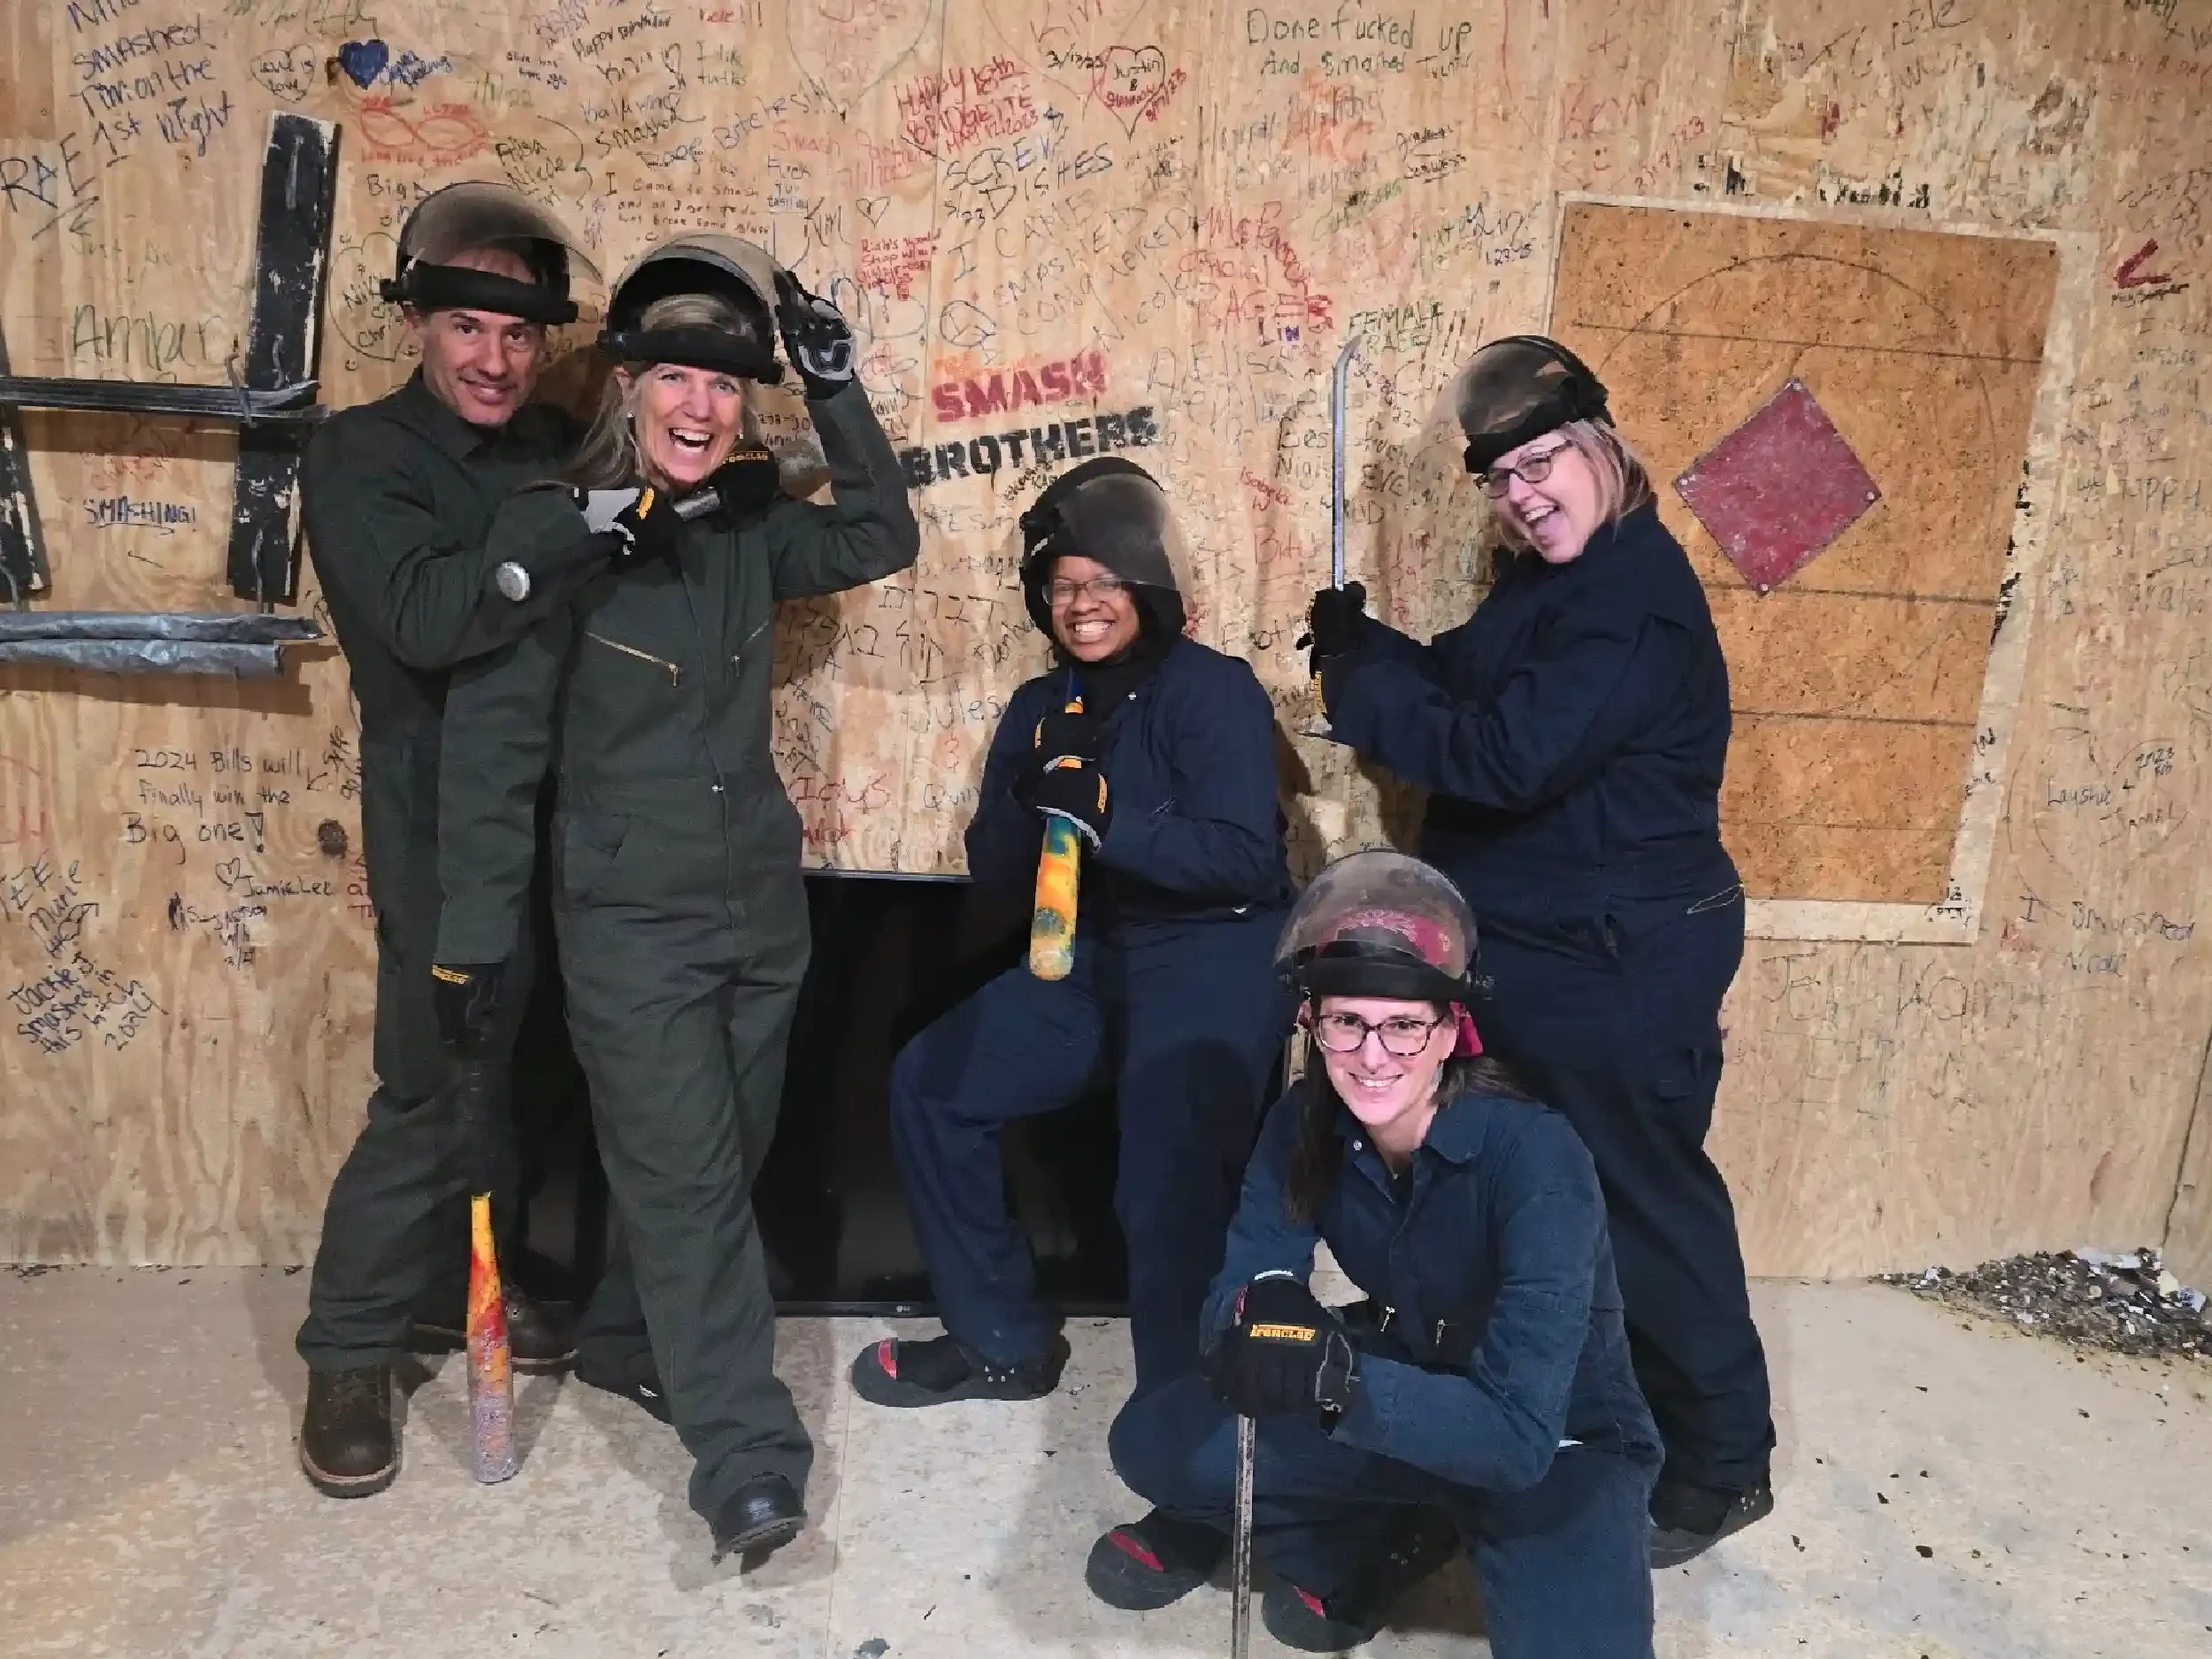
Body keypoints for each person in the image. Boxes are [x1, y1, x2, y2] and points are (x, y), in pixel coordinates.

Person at [431, 234, 919, 1560]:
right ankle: (747, 1452)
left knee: (721, 1157)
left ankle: (626, 1336)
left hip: (761, 912)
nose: (703, 408)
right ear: (628, 386)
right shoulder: (551, 533)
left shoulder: (749, 526)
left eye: (728, 385)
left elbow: (882, 529)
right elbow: (489, 752)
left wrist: (835, 387)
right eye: (677, 379)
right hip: (628, 924)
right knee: (694, 1184)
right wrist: (468, 939)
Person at [1300, 335, 1772, 1565]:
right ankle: (1568, 1401)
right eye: (1502, 476)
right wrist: (1370, 643)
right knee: (1563, 1198)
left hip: (1622, 956)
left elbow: (1507, 754)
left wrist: (1363, 694)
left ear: (1604, 449)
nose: (1527, 491)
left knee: (1643, 1199)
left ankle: (1721, 1462)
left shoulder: (1633, 603)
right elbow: (1468, 678)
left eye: (1548, 458)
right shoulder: (1552, 586)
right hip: (1553, 944)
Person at [1094, 849, 1663, 1657]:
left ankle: (1398, 1524)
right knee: (1156, 1442)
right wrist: (1266, 1305)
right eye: (1346, 1021)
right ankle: (1395, 1520)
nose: (1371, 1053)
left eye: (1403, 1024)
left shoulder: (1539, 1157)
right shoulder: (1302, 1122)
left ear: (1450, 1031)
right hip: (1409, 1372)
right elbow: (1243, 1284)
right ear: (1312, 1024)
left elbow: (1516, 1436)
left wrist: (1337, 1378)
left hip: (1559, 1443)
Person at [295, 182, 619, 1499]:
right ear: (419, 321)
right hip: (437, 813)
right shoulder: (361, 456)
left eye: (520, 334)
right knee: (433, 1077)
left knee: (521, 1054)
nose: (496, 358)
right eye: (469, 327)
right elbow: (431, 617)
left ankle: (457, 1271)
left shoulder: (544, 437)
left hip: (560, 804)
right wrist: (558, 519)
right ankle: (348, 1345)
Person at [847, 459, 1293, 1408]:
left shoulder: (1211, 691)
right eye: (1061, 586)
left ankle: (1187, 1434)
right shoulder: (1041, 708)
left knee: (1165, 1195)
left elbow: (1246, 860)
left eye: (1100, 582)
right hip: (1091, 956)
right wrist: (1031, 795)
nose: (1080, 603)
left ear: (1144, 586)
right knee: (934, 1083)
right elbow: (998, 873)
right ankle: (1000, 1341)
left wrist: (1110, 818)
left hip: (1214, 952)